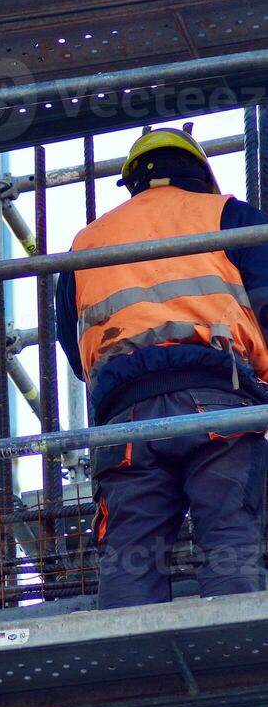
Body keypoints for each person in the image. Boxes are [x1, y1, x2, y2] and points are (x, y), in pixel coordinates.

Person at [55, 127, 268, 609]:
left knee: (131, 554)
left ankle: (129, 663)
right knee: (229, 536)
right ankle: (233, 656)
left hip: (126, 419)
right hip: (219, 401)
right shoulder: (228, 215)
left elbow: (74, 347)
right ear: (199, 173)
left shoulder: (87, 243)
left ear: (131, 180)